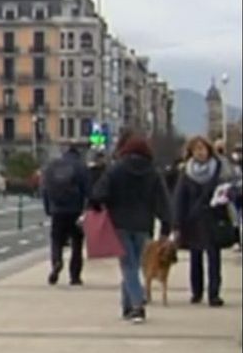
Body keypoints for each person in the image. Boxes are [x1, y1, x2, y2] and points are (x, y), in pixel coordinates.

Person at [91, 135, 171, 323]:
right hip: (143, 224)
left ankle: (137, 306)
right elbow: (162, 200)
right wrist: (166, 225)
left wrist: (97, 207)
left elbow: (99, 194)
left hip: (119, 223)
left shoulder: (115, 169)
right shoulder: (153, 172)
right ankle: (127, 306)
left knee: (128, 265)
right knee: (133, 264)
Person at [173, 136, 234, 307]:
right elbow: (180, 199)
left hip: (213, 218)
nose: (200, 152)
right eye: (196, 149)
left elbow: (230, 191)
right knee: (195, 257)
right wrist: (177, 223)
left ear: (209, 150)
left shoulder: (220, 170)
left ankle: (214, 293)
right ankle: (197, 291)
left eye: (203, 148)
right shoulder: (186, 172)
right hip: (193, 221)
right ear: (191, 152)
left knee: (214, 257)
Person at [42, 147, 90, 286]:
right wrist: (87, 208)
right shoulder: (81, 167)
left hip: (57, 209)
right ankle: (75, 276)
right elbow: (88, 190)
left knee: (56, 239)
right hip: (75, 210)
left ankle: (56, 261)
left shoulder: (52, 166)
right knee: (77, 243)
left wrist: (48, 208)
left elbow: (45, 189)